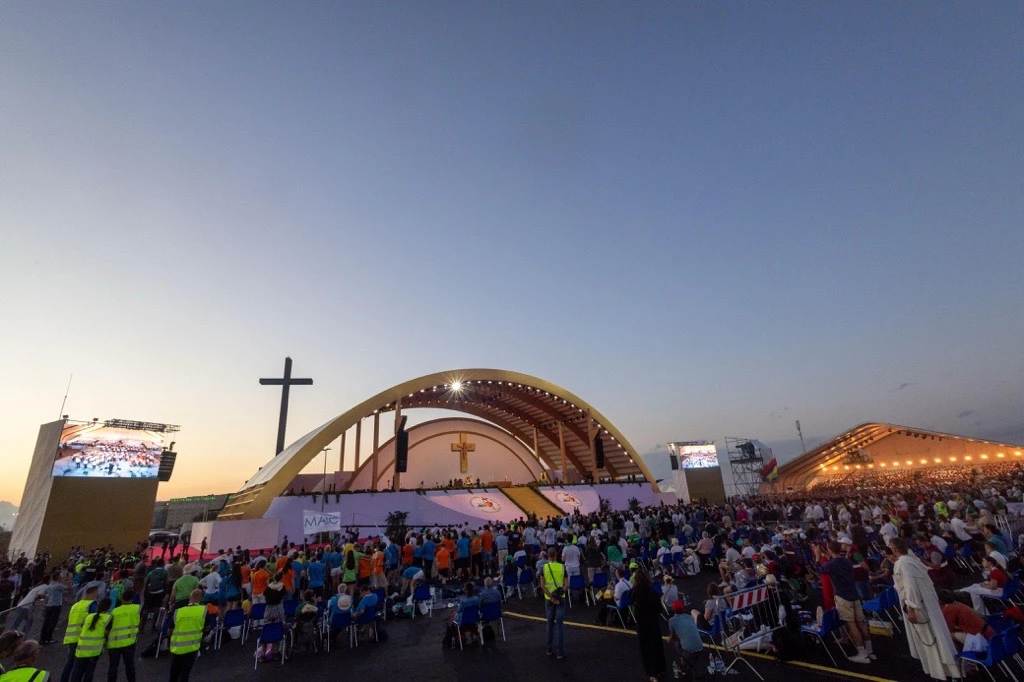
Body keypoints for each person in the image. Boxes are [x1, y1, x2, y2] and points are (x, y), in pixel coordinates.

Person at [890, 537, 962, 680]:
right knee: (936, 634)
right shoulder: (912, 560)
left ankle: (939, 671)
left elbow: (910, 586)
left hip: (919, 607)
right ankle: (946, 670)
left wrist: (911, 608)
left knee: (929, 637)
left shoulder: (903, 563)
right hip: (927, 604)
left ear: (894, 549)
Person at [815, 541, 872, 663]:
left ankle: (862, 653)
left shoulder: (831, 564)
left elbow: (819, 570)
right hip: (854, 594)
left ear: (829, 550)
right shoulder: (847, 560)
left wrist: (817, 556)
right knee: (861, 623)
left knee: (852, 625)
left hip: (842, 596)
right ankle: (869, 650)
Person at [632, 570, 666, 681]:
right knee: (656, 646)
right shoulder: (653, 593)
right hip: (653, 623)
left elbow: (628, 599)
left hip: (642, 625)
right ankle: (660, 669)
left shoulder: (635, 592)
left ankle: (652, 673)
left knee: (646, 649)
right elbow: (659, 609)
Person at [60, 584, 97, 682]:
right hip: (83, 638)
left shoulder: (76, 605)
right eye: (96, 594)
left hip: (71, 637)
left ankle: (63, 680)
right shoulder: (92, 604)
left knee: (70, 662)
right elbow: (93, 620)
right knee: (81, 666)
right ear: (92, 594)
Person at [70, 597, 111, 682]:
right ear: (108, 607)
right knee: (89, 673)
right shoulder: (108, 618)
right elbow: (107, 634)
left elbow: (82, 627)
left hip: (81, 648)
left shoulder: (89, 616)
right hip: (94, 651)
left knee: (77, 672)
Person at [168, 589, 204, 682]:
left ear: (189, 598)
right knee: (185, 673)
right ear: (200, 599)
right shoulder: (203, 611)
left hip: (177, 647)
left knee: (174, 674)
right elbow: (206, 626)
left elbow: (170, 629)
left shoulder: (178, 611)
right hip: (192, 647)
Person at [106, 588, 140, 682]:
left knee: (113, 667)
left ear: (122, 599)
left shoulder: (114, 611)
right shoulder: (137, 608)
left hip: (114, 643)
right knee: (130, 666)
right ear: (132, 599)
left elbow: (108, 628)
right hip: (129, 642)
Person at [668, 600, 706, 679]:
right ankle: (687, 662)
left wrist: (670, 639)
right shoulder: (689, 616)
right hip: (700, 647)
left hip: (689, 651)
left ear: (673, 609)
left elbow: (673, 636)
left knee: (675, 643)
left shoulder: (671, 621)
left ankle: (683, 662)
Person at [540, 548, 566, 660]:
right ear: (556, 555)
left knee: (549, 624)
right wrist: (558, 596)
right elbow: (566, 585)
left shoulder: (544, 567)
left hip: (549, 599)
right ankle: (560, 652)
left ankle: (549, 649)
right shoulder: (562, 567)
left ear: (548, 556)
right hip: (560, 599)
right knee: (559, 625)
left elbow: (542, 585)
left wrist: (551, 597)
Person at [39, 570, 65, 645]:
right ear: (57, 577)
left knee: (46, 623)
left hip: (49, 605)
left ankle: (42, 639)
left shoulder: (50, 585)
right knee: (52, 623)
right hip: (56, 606)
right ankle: (48, 638)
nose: (61, 577)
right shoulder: (59, 585)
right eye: (60, 576)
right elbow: (68, 588)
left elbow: (44, 595)